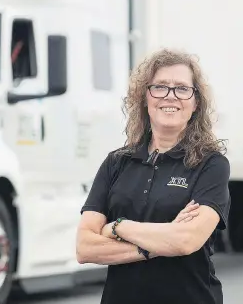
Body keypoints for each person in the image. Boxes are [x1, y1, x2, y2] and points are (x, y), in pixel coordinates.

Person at [75, 48, 230, 304]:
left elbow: (186, 240)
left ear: (196, 103)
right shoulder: (116, 163)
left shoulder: (211, 164)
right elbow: (85, 247)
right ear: (145, 98)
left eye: (182, 88)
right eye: (160, 87)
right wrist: (159, 242)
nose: (171, 96)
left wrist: (118, 226)